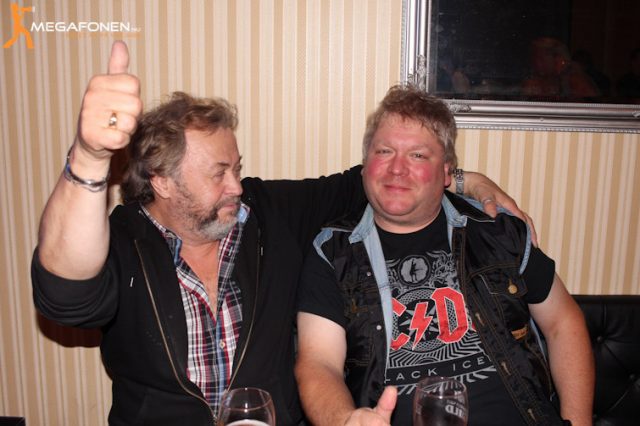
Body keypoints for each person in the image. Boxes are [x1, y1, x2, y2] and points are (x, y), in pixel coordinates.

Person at [31, 41, 532, 426]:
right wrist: (90, 157)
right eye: (219, 173)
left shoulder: (269, 214)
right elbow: (65, 296)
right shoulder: (121, 240)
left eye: (237, 168)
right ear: (160, 181)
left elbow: (377, 178)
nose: (237, 186)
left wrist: (463, 180)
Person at [295, 84, 594, 425]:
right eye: (384, 151)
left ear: (448, 172)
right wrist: (344, 420)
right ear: (365, 165)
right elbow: (318, 363)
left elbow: (563, 322)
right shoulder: (332, 252)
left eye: (418, 156)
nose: (397, 168)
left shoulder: (497, 231)